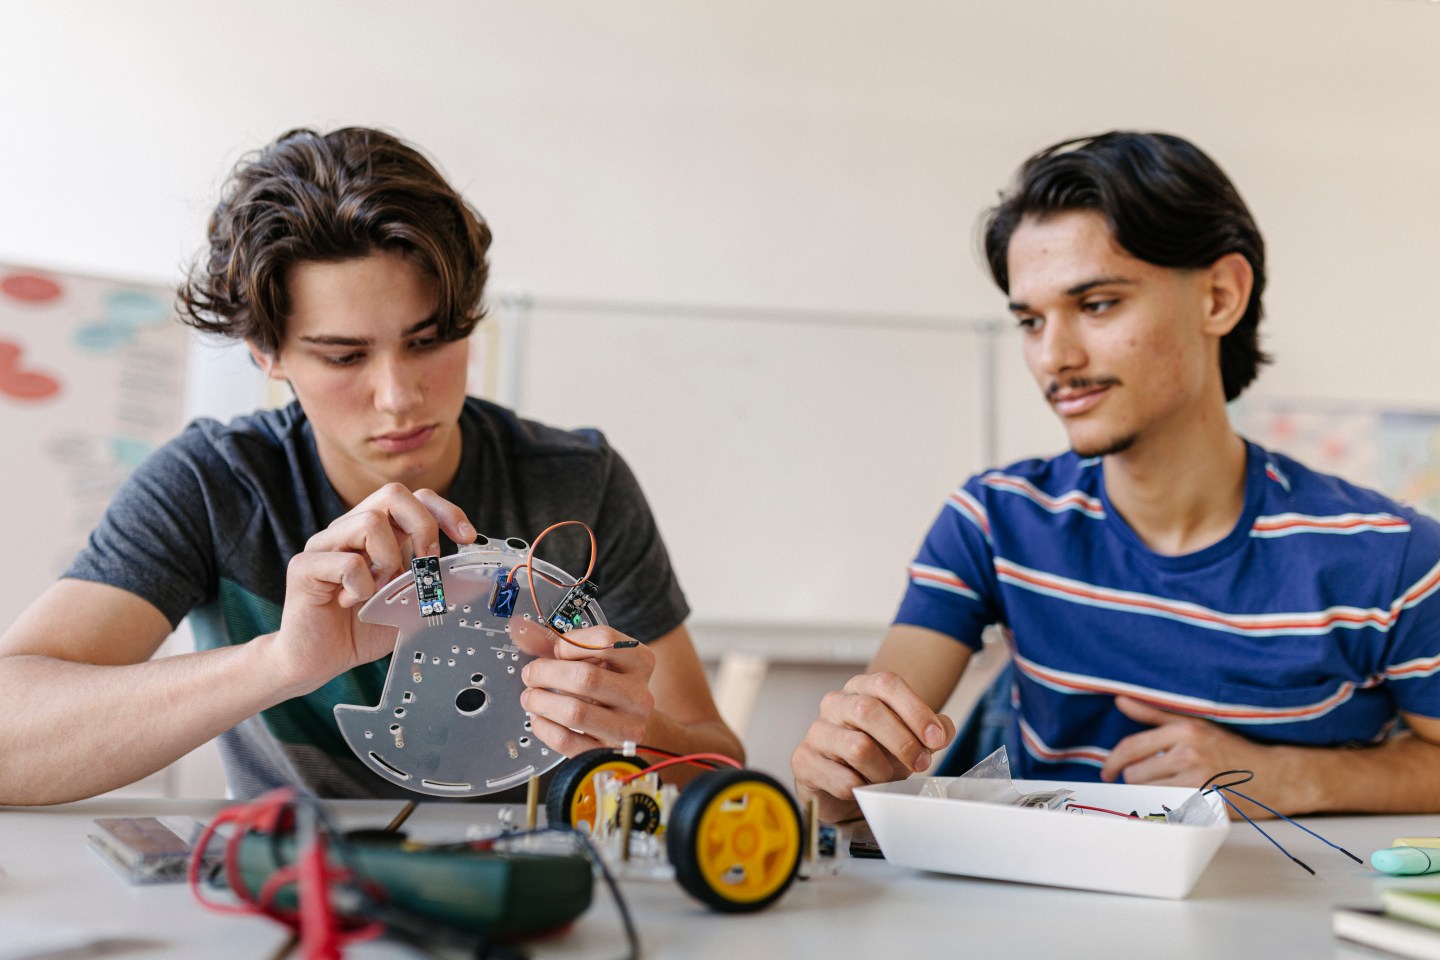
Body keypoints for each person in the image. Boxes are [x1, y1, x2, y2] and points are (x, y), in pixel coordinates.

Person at [0, 126, 740, 805]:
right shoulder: (212, 486)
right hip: (299, 903)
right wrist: (282, 662)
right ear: (268, 352)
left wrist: (636, 729)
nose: (398, 397)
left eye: (428, 341)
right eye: (344, 356)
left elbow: (722, 770)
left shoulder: (576, 481)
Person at [792, 131, 1440, 823]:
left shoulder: (1391, 554)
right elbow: (852, 787)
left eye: (1097, 305)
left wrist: (1286, 777)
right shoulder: (992, 521)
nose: (1054, 357)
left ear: (1220, 296)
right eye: (1030, 320)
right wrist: (840, 768)